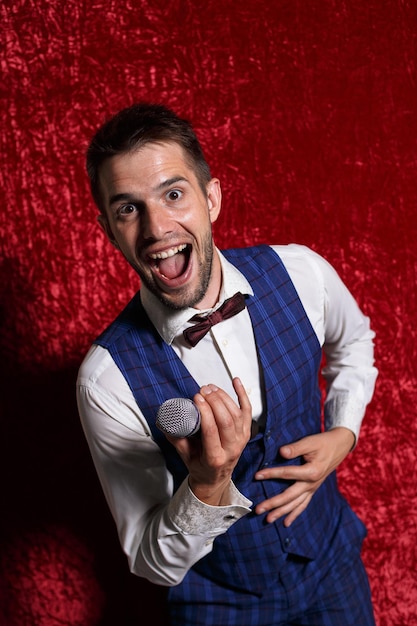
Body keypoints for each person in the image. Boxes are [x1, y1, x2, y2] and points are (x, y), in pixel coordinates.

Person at [76, 102, 378, 626]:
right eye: (128, 209)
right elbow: (151, 562)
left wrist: (344, 433)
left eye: (174, 194)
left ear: (211, 198)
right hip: (218, 601)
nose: (156, 228)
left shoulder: (301, 272)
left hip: (330, 560)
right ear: (108, 230)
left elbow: (356, 345)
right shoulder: (106, 380)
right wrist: (208, 485)